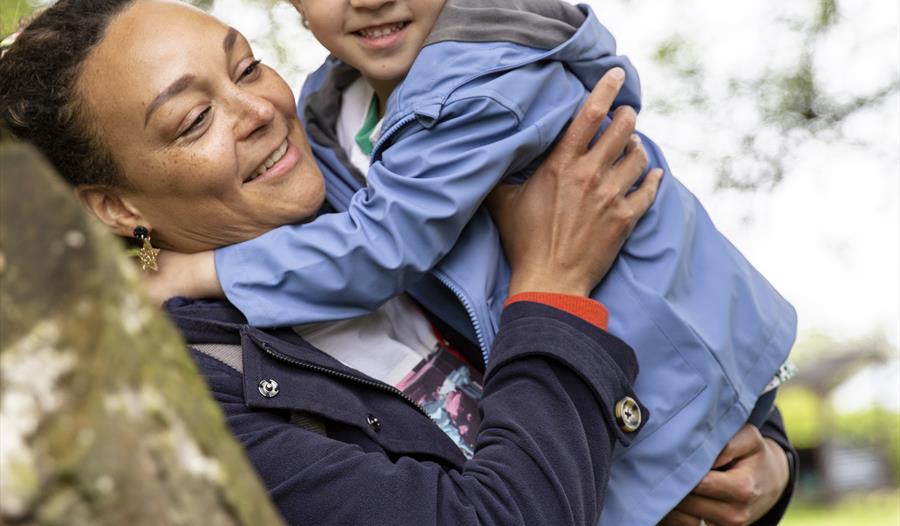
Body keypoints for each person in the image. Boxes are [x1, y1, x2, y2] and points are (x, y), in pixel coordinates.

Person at [0, 1, 798, 524]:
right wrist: (551, 289)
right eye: (194, 118)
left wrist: (762, 468)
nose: (258, 110)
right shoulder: (182, 402)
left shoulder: (380, 196)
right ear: (114, 207)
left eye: (245, 66)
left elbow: (667, 323)